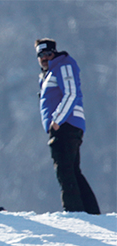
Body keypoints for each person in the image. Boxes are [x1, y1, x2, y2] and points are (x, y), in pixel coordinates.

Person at [35, 39, 100, 214]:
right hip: (65, 126)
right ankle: (90, 211)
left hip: (66, 125)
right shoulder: (49, 73)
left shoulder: (63, 65)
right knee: (72, 170)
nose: (45, 58)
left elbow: (71, 93)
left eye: (48, 54)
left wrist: (56, 120)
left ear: (54, 52)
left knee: (64, 170)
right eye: (40, 55)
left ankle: (74, 211)